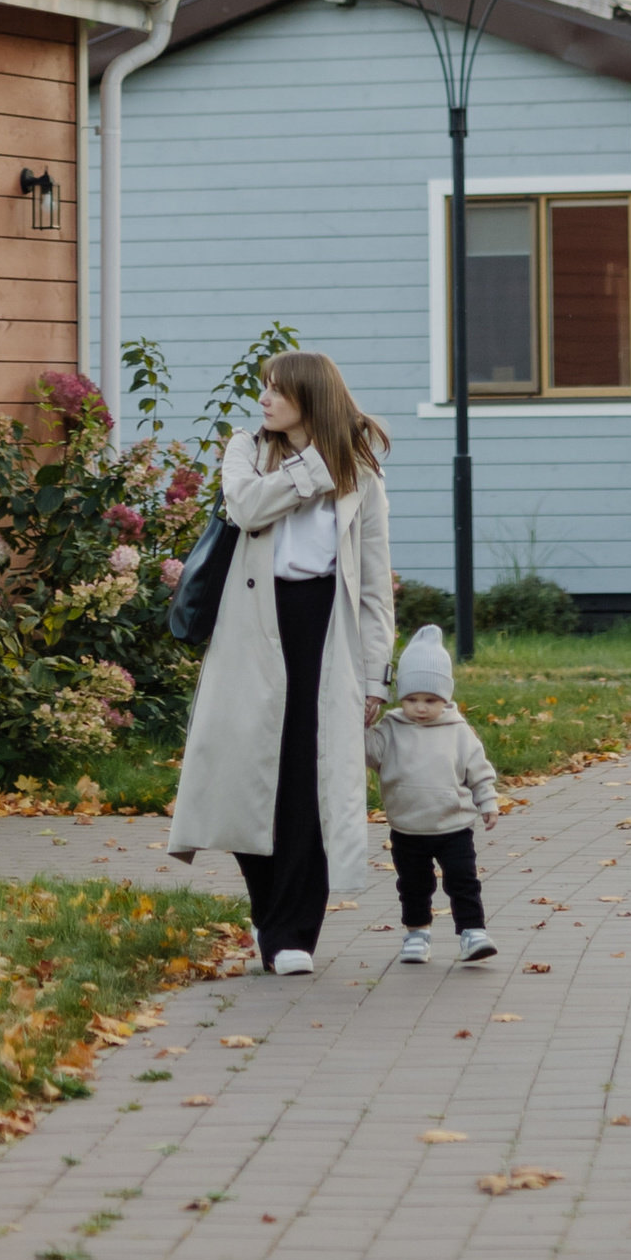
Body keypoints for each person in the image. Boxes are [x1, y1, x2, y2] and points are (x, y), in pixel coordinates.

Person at [166, 349, 393, 975]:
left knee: (307, 784)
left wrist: (377, 675)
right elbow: (245, 507)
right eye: (263, 388)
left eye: (276, 390)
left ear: (308, 398)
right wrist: (313, 472)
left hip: (326, 633)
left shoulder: (361, 477)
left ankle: (294, 932)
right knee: (247, 779)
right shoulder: (245, 449)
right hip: (252, 630)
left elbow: (372, 587)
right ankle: (268, 909)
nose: (263, 400)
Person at [365, 624, 500, 965]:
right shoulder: (391, 730)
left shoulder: (458, 732)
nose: (420, 708)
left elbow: (478, 771)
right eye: (411, 699)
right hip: (407, 828)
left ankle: (473, 932)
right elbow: (367, 750)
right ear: (401, 699)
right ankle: (417, 933)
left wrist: (488, 802)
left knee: (463, 881)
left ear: (445, 698)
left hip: (453, 826)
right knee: (413, 885)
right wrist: (360, 723)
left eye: (430, 700)